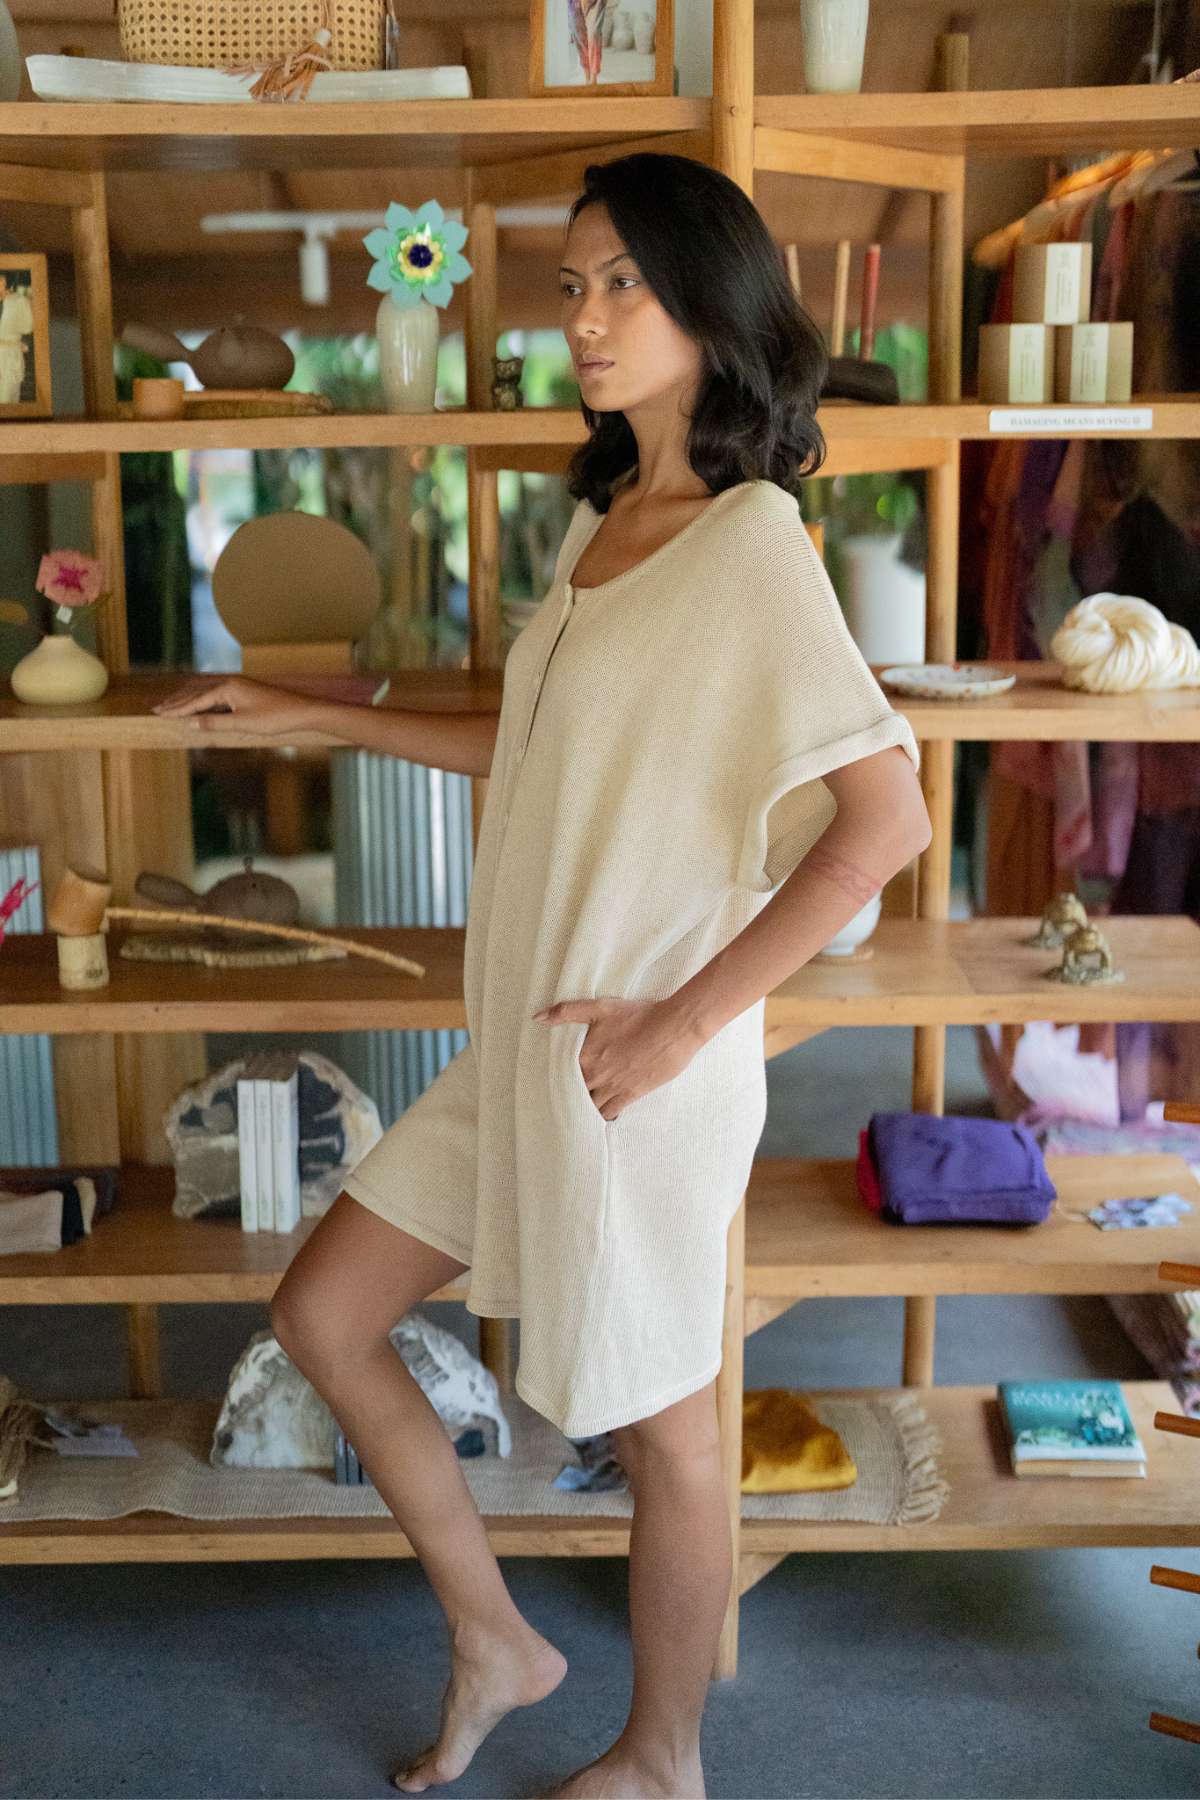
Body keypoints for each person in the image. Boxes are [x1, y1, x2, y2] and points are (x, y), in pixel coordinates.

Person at [153, 151, 931, 1799]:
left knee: (663, 1427)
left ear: (713, 310)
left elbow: (884, 821)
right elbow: (529, 745)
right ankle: (499, 1638)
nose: (582, 316)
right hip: (528, 1047)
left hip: (633, 1065)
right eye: (571, 284)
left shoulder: (750, 545)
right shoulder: (606, 517)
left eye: (622, 285)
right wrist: (308, 715)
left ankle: (665, 1755)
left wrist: (674, 1031)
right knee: (326, 1310)